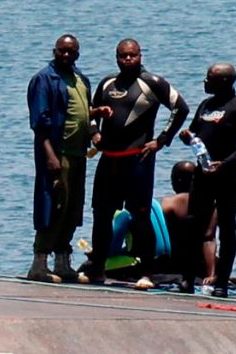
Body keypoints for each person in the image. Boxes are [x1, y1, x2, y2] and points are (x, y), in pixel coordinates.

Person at [80, 38, 187, 283]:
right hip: (109, 160)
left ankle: (146, 272)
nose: (128, 59)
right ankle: (97, 268)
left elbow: (180, 108)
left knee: (140, 216)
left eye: (132, 55)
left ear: (140, 56)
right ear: (116, 58)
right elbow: (91, 111)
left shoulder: (152, 82)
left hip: (137, 161)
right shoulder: (108, 83)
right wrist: (95, 134)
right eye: (123, 56)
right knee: (101, 215)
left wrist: (161, 140)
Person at [179, 63, 236, 294]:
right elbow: (195, 132)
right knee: (193, 224)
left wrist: (227, 163)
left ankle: (222, 282)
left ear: (223, 82)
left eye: (210, 78)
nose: (205, 82)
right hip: (203, 174)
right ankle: (187, 279)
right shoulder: (206, 104)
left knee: (226, 226)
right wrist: (187, 136)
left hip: (227, 176)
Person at [24, 35, 91, 282]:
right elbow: (39, 124)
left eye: (71, 52)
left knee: (73, 208)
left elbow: (81, 112)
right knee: (53, 206)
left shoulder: (80, 79)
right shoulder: (44, 79)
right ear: (54, 51)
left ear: (77, 54)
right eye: (61, 51)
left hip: (78, 153)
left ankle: (63, 262)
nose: (66, 55)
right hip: (57, 153)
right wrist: (50, 155)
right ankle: (39, 264)